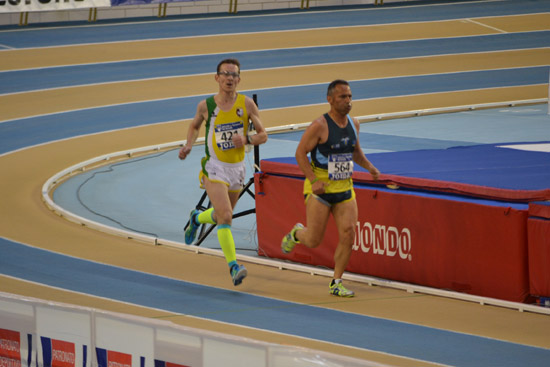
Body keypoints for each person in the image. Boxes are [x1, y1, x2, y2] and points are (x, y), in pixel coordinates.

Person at [281, 79, 380, 297]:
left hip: (345, 188)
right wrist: (313, 180)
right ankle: (296, 233)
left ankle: (336, 281)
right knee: (314, 240)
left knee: (349, 233)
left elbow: (355, 152)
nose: (348, 101)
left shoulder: (355, 123)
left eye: (350, 97)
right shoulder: (319, 125)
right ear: (330, 100)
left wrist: (370, 167)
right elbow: (300, 153)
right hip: (321, 189)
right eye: (343, 97)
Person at [179, 58, 268, 286]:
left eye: (234, 75)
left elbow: (263, 135)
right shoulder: (206, 106)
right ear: (216, 77)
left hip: (237, 169)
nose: (230, 78)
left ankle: (196, 218)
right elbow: (195, 125)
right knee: (226, 216)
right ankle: (233, 267)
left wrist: (246, 139)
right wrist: (188, 144)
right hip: (215, 167)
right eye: (225, 74)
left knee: (221, 216)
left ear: (239, 79)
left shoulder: (247, 104)